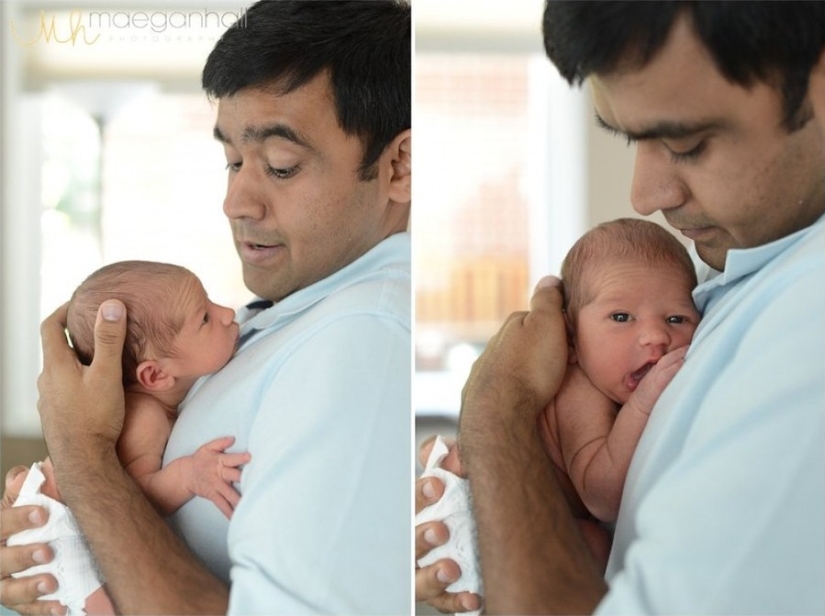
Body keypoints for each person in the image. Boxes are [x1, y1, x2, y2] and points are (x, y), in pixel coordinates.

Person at [1, 1, 411, 614]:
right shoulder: (286, 315)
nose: (236, 201)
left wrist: (82, 455)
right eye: (232, 161)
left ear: (398, 167)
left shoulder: (365, 338)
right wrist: (52, 540)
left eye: (281, 166)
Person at [416, 2, 825, 614]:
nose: (645, 194)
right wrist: (496, 529)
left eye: (686, 143)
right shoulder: (745, 269)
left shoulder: (808, 329)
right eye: (632, 138)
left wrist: (497, 408)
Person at [416, 218, 699, 601]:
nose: (656, 336)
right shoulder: (578, 392)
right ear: (570, 339)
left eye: (676, 319)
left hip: (490, 529)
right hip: (485, 534)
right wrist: (645, 401)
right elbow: (602, 496)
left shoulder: (605, 381)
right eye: (621, 317)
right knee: (594, 546)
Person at [7, 260, 249, 614]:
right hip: (52, 528)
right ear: (155, 375)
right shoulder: (144, 417)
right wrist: (190, 475)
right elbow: (134, 498)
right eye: (204, 319)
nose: (227, 313)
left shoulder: (154, 403)